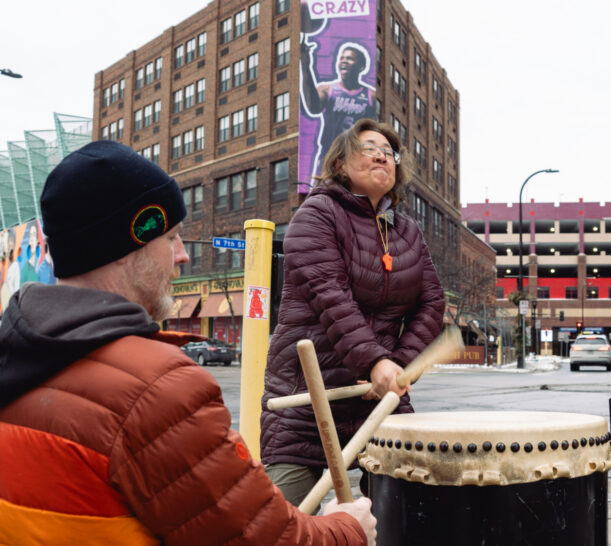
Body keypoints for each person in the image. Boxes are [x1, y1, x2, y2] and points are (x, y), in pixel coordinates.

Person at [0, 141, 376, 546]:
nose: (183, 255)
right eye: (172, 237)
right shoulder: (158, 390)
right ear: (127, 245)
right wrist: (347, 528)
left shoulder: (17, 357)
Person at [261, 119, 444, 505]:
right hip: (307, 397)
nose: (382, 155)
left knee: (407, 511)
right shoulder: (316, 215)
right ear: (341, 164)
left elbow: (431, 304)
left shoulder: (407, 231)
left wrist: (397, 366)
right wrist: (373, 361)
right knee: (282, 522)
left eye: (389, 152)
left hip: (378, 399)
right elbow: (330, 296)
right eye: (368, 147)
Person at [301, 39, 376, 179]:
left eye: (350, 58)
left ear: (361, 66)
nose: (344, 61)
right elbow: (313, 109)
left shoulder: (371, 96)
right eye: (341, 58)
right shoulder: (327, 89)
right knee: (322, 197)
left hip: (357, 158)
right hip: (329, 157)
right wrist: (306, 67)